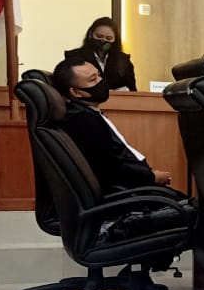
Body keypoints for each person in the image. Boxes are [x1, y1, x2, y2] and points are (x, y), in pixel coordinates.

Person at [51, 57, 174, 193]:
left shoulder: (86, 114)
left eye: (99, 75)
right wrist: (152, 177)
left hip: (134, 187)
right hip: (128, 194)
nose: (101, 81)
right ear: (75, 92)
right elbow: (109, 170)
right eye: (93, 79)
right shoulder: (84, 120)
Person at [63, 17, 137, 92]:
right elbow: (68, 87)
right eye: (99, 36)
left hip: (117, 99)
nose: (103, 40)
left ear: (115, 40)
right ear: (90, 34)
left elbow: (132, 90)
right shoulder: (74, 56)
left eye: (108, 38)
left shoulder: (123, 60)